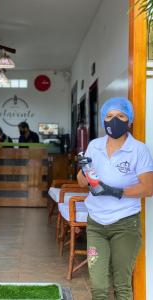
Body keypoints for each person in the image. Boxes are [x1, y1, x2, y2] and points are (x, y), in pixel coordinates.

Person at [77, 97, 153, 300]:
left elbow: (148, 188)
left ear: (130, 121)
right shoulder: (94, 145)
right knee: (98, 286)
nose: (114, 121)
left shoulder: (139, 149)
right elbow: (82, 183)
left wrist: (114, 191)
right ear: (103, 120)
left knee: (122, 285)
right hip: (96, 225)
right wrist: (83, 170)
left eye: (120, 116)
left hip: (125, 225)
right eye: (109, 116)